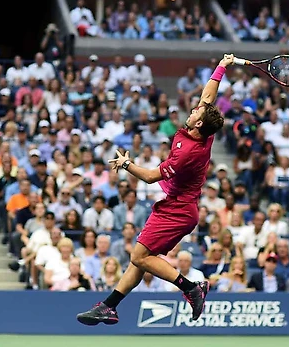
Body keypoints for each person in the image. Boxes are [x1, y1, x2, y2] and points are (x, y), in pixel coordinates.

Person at [76, 54, 232, 326]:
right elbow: (208, 96)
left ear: (198, 124)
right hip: (180, 206)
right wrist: (222, 66)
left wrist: (126, 164)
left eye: (195, 112)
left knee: (139, 256)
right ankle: (109, 306)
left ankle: (190, 287)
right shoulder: (204, 131)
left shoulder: (188, 154)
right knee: (141, 259)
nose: (193, 110)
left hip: (179, 209)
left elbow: (149, 177)